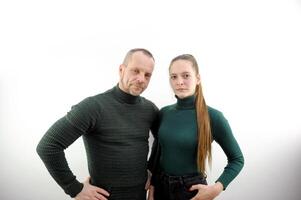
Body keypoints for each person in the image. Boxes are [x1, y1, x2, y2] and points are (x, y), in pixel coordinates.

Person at [36, 48, 159, 200]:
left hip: (140, 194)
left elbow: (162, 141)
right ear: (122, 70)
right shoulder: (93, 107)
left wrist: (151, 169)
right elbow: (48, 146)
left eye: (147, 75)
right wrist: (74, 188)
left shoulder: (150, 109)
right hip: (103, 196)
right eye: (135, 71)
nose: (141, 79)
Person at [147, 54, 244, 200]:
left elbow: (237, 159)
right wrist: (153, 186)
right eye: (174, 77)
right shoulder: (164, 113)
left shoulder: (213, 117)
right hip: (161, 187)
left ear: (197, 78)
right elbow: (157, 153)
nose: (179, 82)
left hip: (190, 191)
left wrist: (216, 189)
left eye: (186, 75)